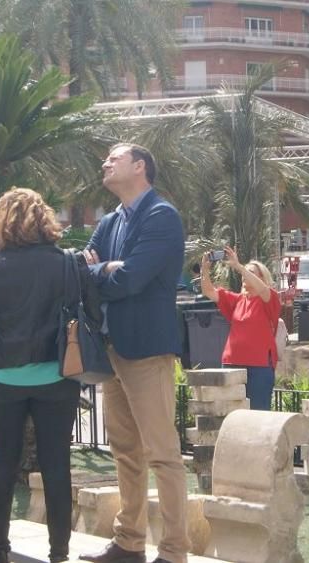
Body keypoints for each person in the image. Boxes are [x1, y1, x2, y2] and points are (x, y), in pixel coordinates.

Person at [0, 188, 101, 563]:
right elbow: (95, 316)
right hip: (58, 375)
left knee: (3, 464)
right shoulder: (69, 263)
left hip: (3, 380)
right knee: (57, 463)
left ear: (1, 222)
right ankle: (59, 553)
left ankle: (0, 551)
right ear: (46, 220)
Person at [80, 144, 190, 563]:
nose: (104, 162)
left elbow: (131, 279)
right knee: (125, 451)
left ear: (140, 167)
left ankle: (174, 551)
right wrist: (101, 269)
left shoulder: (161, 216)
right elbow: (81, 271)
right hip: (110, 350)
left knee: (162, 453)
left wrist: (104, 269)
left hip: (145, 350)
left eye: (114, 158)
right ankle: (129, 543)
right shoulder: (110, 221)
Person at [199, 247, 282, 410]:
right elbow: (208, 291)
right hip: (232, 363)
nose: (244, 275)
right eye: (245, 273)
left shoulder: (269, 299)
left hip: (259, 367)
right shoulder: (237, 300)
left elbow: (264, 291)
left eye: (251, 272)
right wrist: (205, 269)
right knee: (231, 414)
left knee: (257, 414)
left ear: (261, 278)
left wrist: (239, 266)